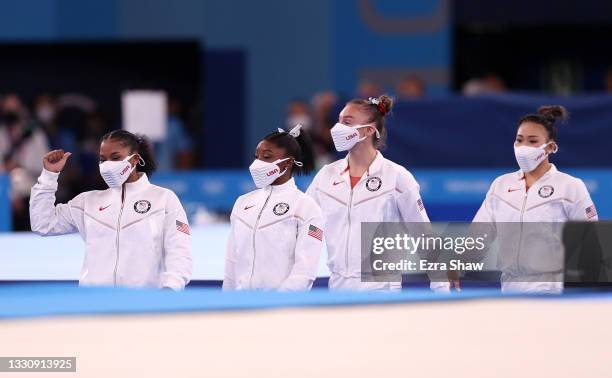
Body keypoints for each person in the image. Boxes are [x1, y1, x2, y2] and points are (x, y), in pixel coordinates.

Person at [306, 95, 443, 291]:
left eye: (347, 122)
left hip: (381, 292)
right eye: (338, 121)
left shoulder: (397, 177)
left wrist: (442, 285)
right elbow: (305, 228)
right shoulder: (325, 177)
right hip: (336, 290)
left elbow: (423, 236)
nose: (337, 128)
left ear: (369, 130)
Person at [29, 130, 192, 290]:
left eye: (115, 158)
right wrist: (49, 176)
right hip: (95, 304)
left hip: (144, 303)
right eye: (102, 159)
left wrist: (170, 288)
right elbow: (43, 223)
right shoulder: (88, 202)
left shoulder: (163, 199)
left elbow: (179, 251)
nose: (107, 165)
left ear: (134, 159)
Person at [473, 106, 598, 293]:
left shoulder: (570, 186)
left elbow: (590, 243)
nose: (524, 148)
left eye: (532, 141)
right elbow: (477, 237)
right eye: (519, 140)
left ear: (550, 147)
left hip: (553, 290)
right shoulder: (500, 185)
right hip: (509, 289)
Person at [223, 124, 324, 291]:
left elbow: (305, 271)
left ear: (288, 163)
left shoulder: (305, 207)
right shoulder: (242, 203)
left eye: (266, 157)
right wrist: (227, 301)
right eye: (256, 156)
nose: (257, 163)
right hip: (241, 306)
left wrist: (277, 303)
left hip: (281, 308)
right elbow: (232, 262)